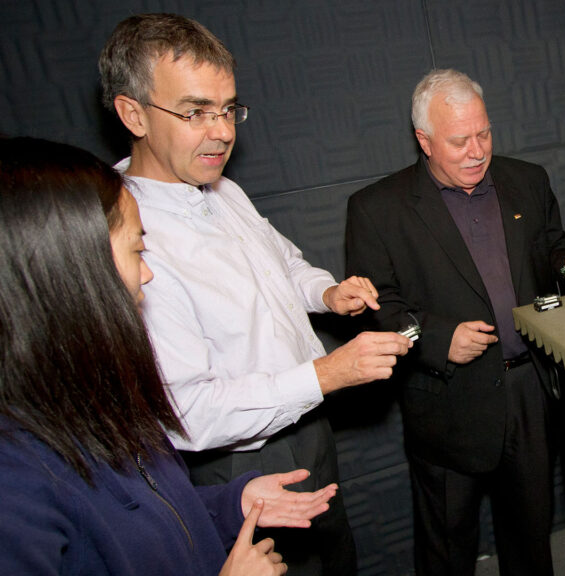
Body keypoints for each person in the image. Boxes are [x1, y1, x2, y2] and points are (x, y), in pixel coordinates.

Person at [98, 14, 413, 574]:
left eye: (228, 109)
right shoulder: (125, 235)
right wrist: (326, 375)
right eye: (196, 111)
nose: (222, 131)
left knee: (334, 555)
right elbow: (188, 414)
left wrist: (327, 292)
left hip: (306, 421)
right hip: (235, 463)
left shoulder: (221, 187)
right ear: (132, 113)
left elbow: (285, 263)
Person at [0, 137, 338, 576]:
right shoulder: (16, 481)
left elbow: (157, 513)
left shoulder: (97, 396)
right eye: (137, 250)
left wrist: (230, 504)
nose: (147, 273)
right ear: (70, 273)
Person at [345, 69, 565, 576]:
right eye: (459, 140)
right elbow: (381, 310)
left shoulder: (528, 180)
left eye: (484, 133)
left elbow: (552, 244)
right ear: (424, 141)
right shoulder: (376, 209)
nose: (477, 151)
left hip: (530, 391)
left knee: (531, 536)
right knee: (447, 546)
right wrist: (438, 340)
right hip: (447, 405)